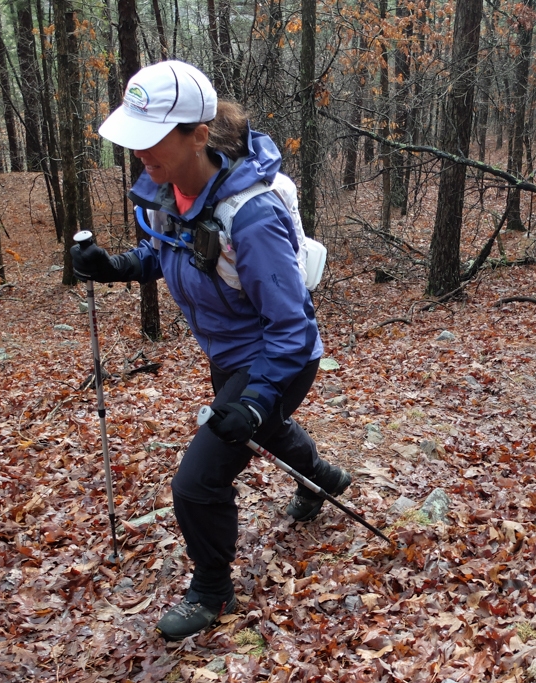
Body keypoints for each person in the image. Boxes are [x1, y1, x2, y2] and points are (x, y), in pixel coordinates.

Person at [71, 60, 350, 641]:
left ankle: (211, 589)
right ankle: (321, 475)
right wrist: (116, 266)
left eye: (151, 140)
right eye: (133, 138)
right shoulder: (163, 192)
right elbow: (164, 252)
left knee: (198, 481)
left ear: (198, 135)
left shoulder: (249, 217)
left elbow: (293, 326)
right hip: (227, 353)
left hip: (279, 357)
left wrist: (251, 398)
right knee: (265, 431)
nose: (138, 152)